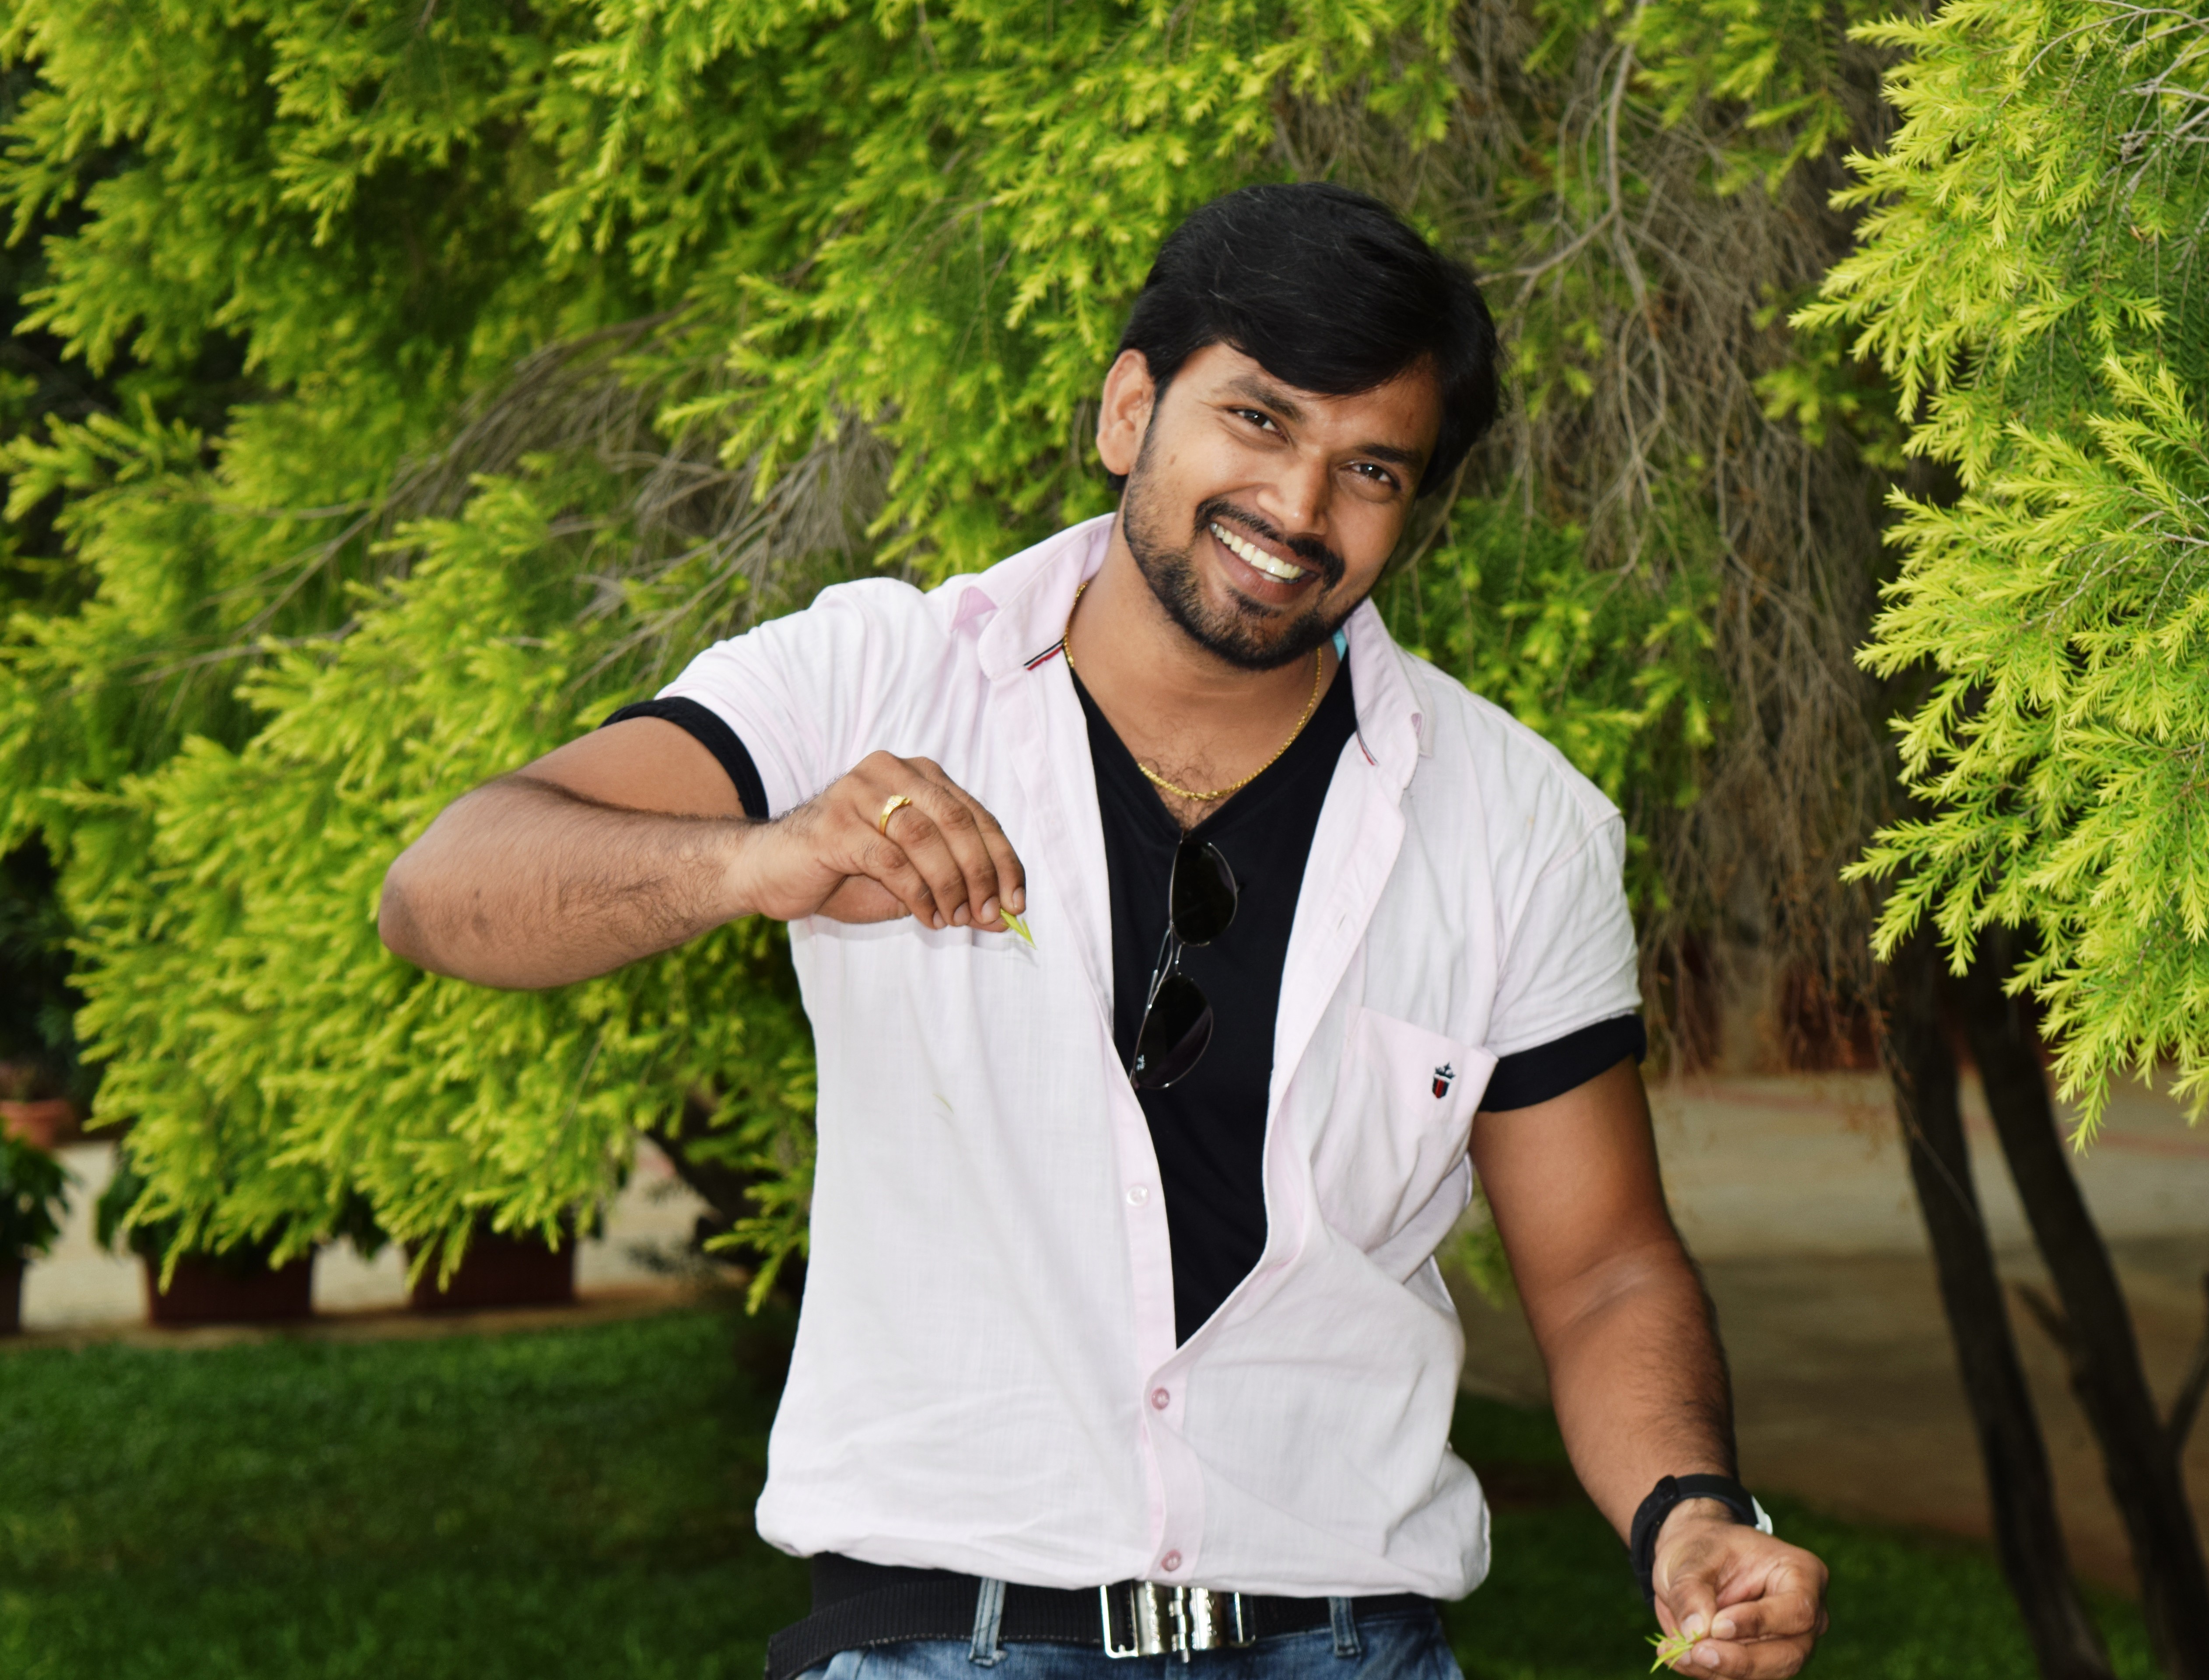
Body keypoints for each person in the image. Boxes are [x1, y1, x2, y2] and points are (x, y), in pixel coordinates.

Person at [379, 182, 1829, 1679]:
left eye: (1369, 469)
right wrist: (760, 859)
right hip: (944, 1636)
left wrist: (1689, 1516)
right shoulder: (876, 679)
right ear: (1129, 409)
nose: (1299, 510)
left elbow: (1601, 1267)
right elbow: (443, 890)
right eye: (1258, 421)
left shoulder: (1519, 822)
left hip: (1350, 1643)